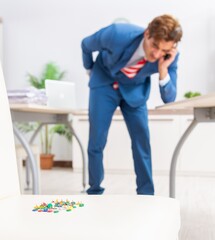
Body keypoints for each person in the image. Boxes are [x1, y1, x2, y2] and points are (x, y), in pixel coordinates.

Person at [81, 14, 183, 195]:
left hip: (134, 91)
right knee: (97, 139)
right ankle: (95, 190)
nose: (157, 54)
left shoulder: (168, 57)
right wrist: (90, 70)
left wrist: (162, 69)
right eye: (154, 46)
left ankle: (146, 194)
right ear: (147, 34)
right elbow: (86, 45)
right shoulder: (116, 34)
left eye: (164, 50)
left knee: (141, 140)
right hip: (104, 83)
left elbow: (169, 98)